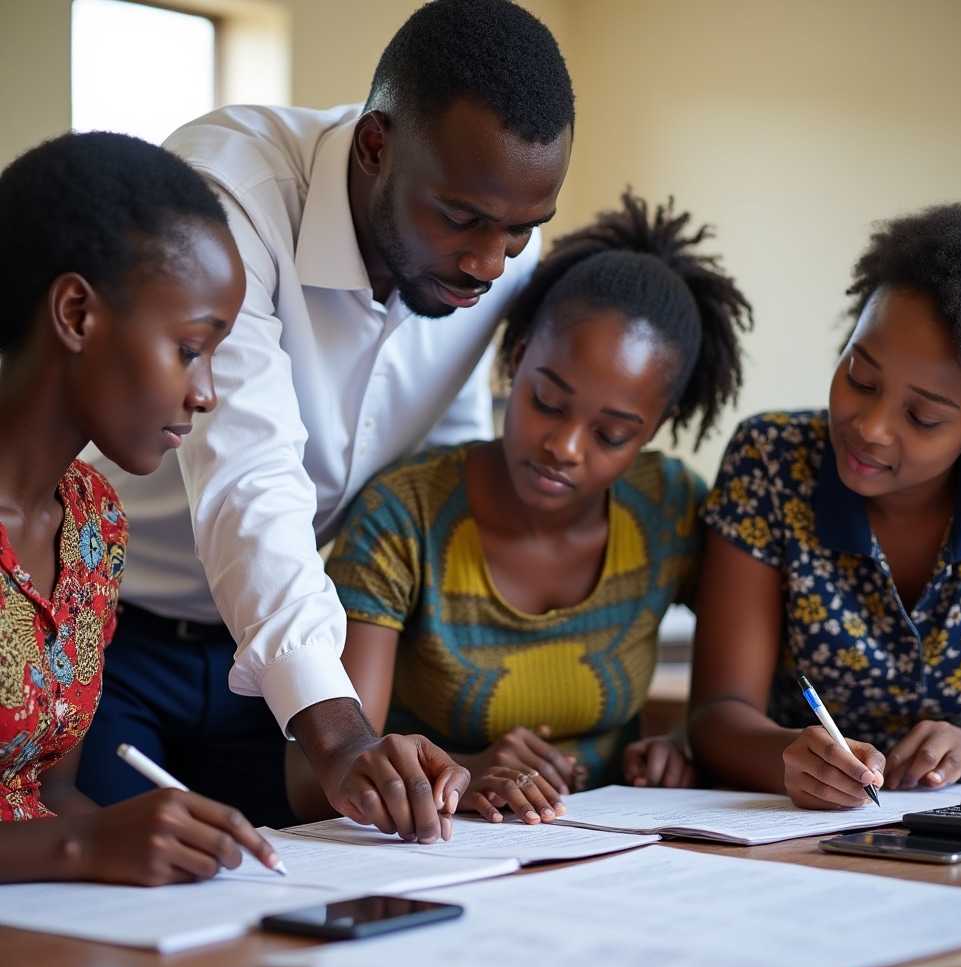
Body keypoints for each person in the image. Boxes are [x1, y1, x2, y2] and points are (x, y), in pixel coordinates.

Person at [76, 0, 575, 838]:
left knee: (296, 895)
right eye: (462, 220)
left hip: (287, 668)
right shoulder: (230, 188)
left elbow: (436, 484)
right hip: (115, 641)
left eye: (523, 231)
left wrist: (464, 738)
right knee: (124, 908)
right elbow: (250, 475)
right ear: (376, 146)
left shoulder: (489, 268)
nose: (490, 262)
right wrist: (340, 733)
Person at [284, 192, 750, 825]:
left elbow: (747, 691)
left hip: (614, 858)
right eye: (547, 402)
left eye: (612, 435)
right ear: (517, 354)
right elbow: (313, 780)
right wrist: (463, 769)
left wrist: (677, 747)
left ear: (654, 428)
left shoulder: (669, 510)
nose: (564, 446)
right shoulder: (403, 517)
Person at [0, 130, 286, 884]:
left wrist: (174, 839)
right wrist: (85, 847)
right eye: (191, 347)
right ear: (76, 313)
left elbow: (49, 793)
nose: (207, 392)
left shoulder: (93, 524)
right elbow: (65, 838)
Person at [685, 202, 961, 810]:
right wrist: (789, 758)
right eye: (860, 379)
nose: (870, 428)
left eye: (921, 416)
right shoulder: (772, 462)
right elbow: (717, 714)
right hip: (798, 833)